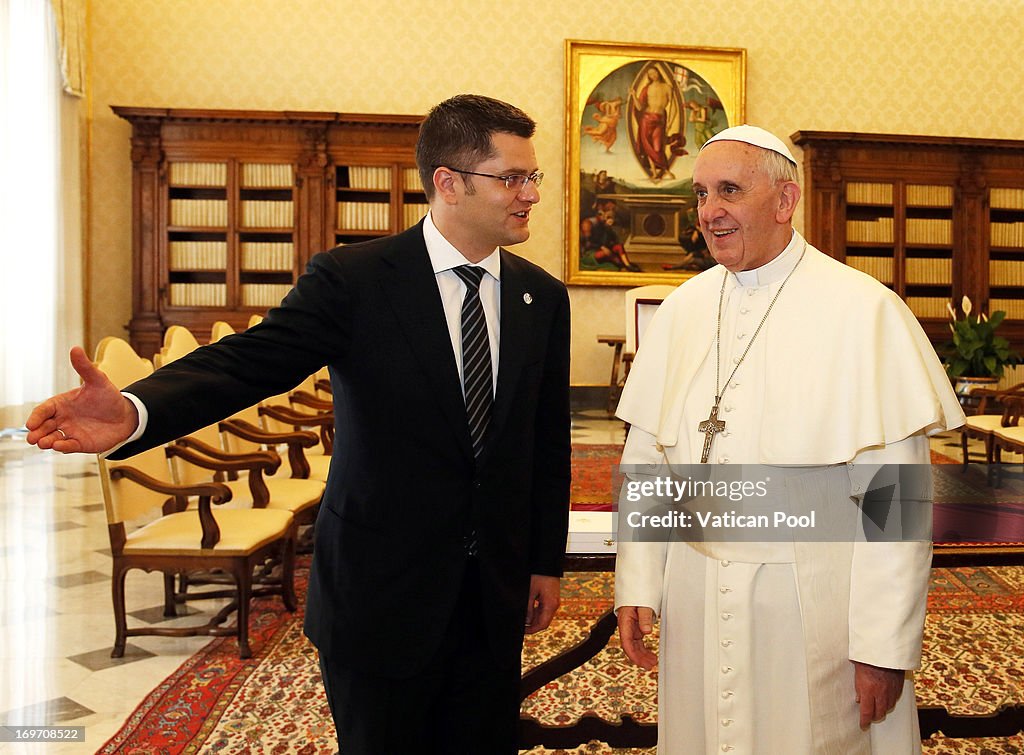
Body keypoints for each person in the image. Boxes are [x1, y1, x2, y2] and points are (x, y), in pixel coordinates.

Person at [26, 94, 571, 755]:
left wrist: (544, 560)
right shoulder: (356, 281)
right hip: (380, 599)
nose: (531, 195)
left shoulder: (541, 296)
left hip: (492, 598)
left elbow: (545, 442)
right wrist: (137, 409)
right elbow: (246, 364)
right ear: (448, 183)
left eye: (533, 177)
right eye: (512, 178)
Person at [613, 125, 964, 753]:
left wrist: (882, 644)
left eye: (729, 191)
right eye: (699, 194)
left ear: (785, 201)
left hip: (813, 602)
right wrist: (638, 581)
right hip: (694, 593)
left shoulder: (863, 311)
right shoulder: (683, 310)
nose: (710, 212)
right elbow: (647, 461)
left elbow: (897, 502)